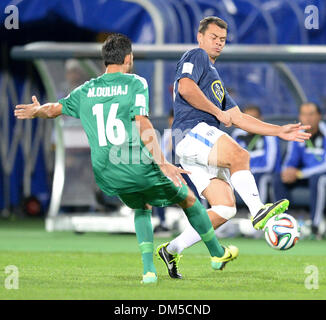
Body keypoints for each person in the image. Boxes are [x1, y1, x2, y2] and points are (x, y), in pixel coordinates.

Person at [14, 32, 239, 284]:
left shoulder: (85, 89)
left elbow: (54, 109)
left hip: (105, 170)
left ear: (104, 60)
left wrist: (36, 110)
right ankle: (217, 253)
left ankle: (149, 271)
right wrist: (163, 162)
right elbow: (143, 124)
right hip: (134, 162)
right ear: (128, 58)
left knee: (141, 206)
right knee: (188, 198)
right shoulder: (135, 83)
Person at [156, 16, 311, 279]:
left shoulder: (214, 79)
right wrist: (217, 111)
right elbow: (185, 88)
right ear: (200, 36)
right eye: (214, 37)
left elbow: (238, 117)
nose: (218, 43)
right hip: (192, 132)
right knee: (240, 154)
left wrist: (279, 130)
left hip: (195, 144)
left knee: (225, 208)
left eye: (223, 40)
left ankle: (172, 249)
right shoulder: (196, 56)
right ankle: (257, 210)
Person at [274, 102, 326, 239]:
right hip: (302, 175)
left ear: (319, 116)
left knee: (319, 179)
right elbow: (290, 159)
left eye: (311, 114)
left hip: (320, 176)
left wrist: (299, 173)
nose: (307, 118)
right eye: (304, 114)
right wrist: (287, 171)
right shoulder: (298, 135)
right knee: (278, 178)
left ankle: (316, 226)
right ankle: (282, 224)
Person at [232, 105, 281, 204]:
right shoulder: (237, 135)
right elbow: (232, 158)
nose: (249, 123)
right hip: (244, 171)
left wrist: (249, 171)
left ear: (260, 120)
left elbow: (269, 165)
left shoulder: (269, 134)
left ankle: (258, 213)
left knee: (259, 178)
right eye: (246, 119)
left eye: (253, 119)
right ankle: (227, 214)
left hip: (266, 173)